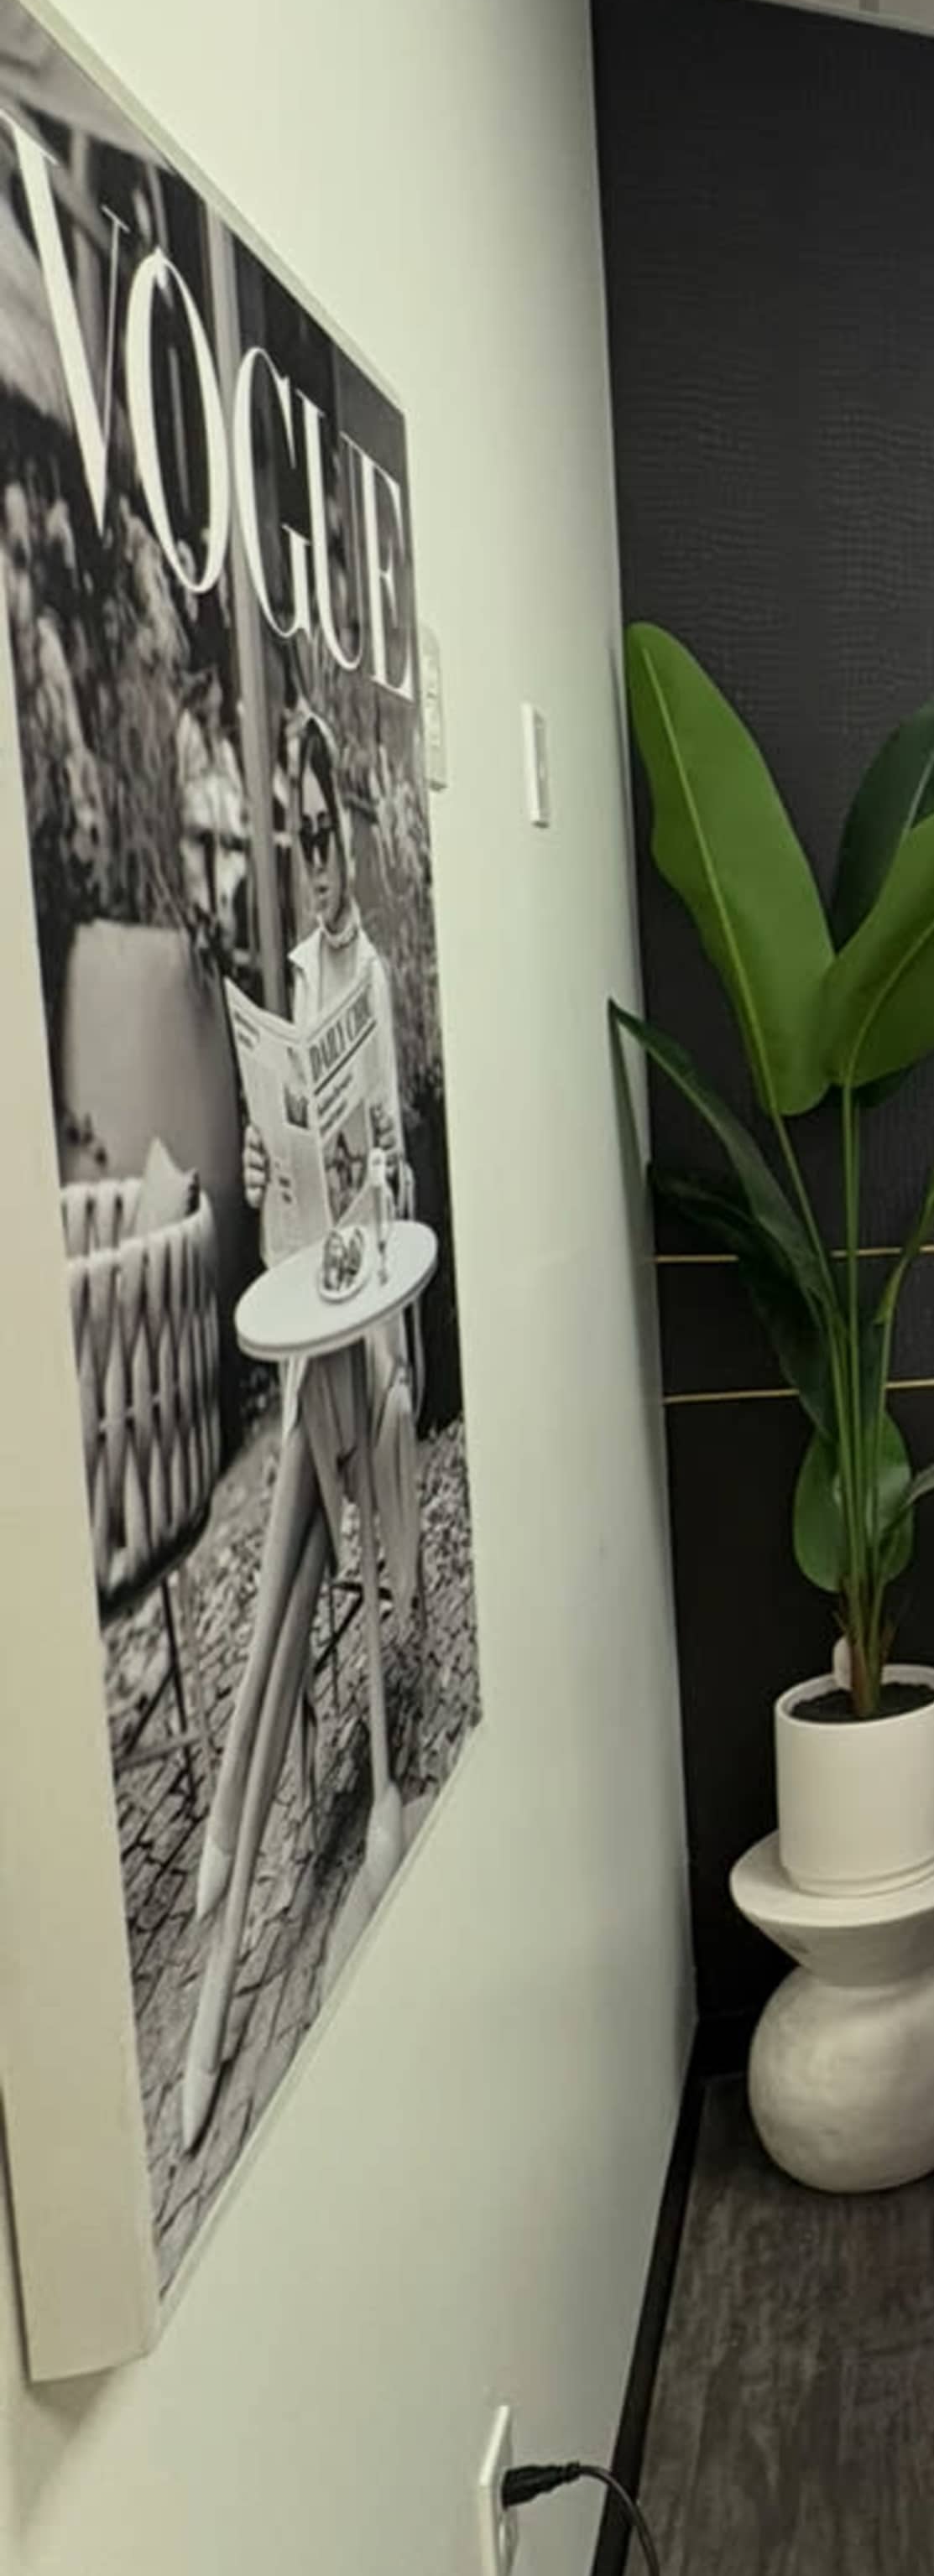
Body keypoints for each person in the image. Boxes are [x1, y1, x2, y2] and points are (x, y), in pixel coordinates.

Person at [179, 710, 422, 2151]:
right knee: (277, 1578)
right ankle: (224, 1902)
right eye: (301, 840)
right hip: (319, 1312)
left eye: (328, 839)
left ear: (353, 841)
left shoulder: (371, 975)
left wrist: (356, 1162)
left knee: (280, 1566)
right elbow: (296, 1178)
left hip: (363, 1334)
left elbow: (387, 1155)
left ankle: (223, 1881)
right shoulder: (296, 977)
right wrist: (276, 1151)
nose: (315, 865)